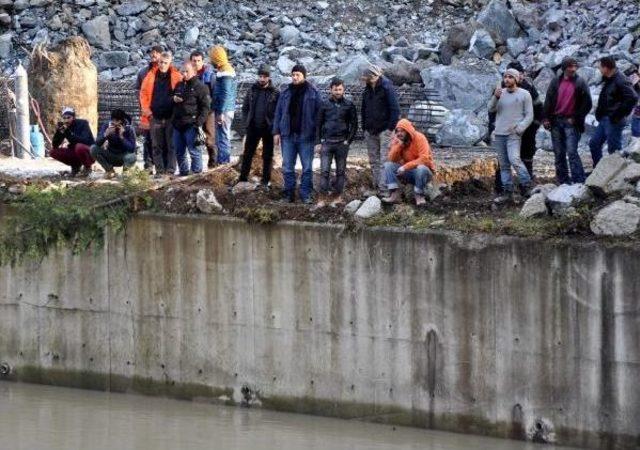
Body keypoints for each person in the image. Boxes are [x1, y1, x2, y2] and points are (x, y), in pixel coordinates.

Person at [489, 61, 543, 192]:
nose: (507, 79)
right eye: (505, 76)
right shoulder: (500, 91)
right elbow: (491, 110)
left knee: (520, 159)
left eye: (511, 76)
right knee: (503, 163)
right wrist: (492, 129)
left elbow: (536, 111)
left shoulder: (527, 91)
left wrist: (527, 128)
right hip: (502, 132)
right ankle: (503, 189)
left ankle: (526, 186)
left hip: (522, 132)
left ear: (520, 76)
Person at [272, 63, 322, 203]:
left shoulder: (313, 93)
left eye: (297, 75)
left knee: (307, 167)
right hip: (288, 135)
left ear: (304, 76)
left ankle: (305, 194)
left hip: (306, 136)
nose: (294, 77)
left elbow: (320, 116)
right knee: (287, 166)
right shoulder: (286, 93)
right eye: (293, 75)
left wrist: (318, 138)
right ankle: (289, 194)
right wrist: (276, 132)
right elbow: (278, 113)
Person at [543, 57, 593, 184]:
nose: (573, 69)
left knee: (571, 152)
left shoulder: (580, 82)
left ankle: (579, 181)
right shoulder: (555, 81)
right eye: (570, 67)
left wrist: (576, 118)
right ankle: (563, 181)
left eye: (575, 66)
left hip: (571, 123)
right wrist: (546, 118)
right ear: (564, 68)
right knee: (559, 153)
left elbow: (587, 103)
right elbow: (548, 100)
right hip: (556, 121)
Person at [314, 77, 358, 205]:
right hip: (327, 142)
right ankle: (322, 197)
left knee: (340, 171)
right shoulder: (324, 104)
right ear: (330, 90)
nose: (338, 92)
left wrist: (348, 141)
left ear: (343, 90)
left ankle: (337, 196)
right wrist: (318, 142)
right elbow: (318, 124)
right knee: (324, 171)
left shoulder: (349, 105)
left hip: (341, 143)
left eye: (340, 89)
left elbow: (354, 125)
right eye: (335, 90)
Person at [589, 56, 638, 167]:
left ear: (606, 68)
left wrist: (618, 114)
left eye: (600, 67)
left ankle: (615, 177)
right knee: (594, 143)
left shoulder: (620, 79)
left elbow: (633, 97)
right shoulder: (609, 78)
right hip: (605, 119)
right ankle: (599, 171)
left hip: (614, 120)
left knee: (614, 150)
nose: (599, 70)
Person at [139, 51, 182, 177]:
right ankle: (159, 170)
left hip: (170, 116)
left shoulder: (176, 76)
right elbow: (143, 94)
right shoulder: (150, 76)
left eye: (165, 63)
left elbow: (181, 94)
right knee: (156, 145)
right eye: (161, 62)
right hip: (155, 117)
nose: (162, 65)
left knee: (171, 145)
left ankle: (170, 170)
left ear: (170, 63)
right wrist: (148, 112)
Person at [361, 64, 400, 194]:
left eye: (366, 77)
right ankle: (377, 186)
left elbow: (395, 110)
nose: (364, 80)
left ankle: (384, 189)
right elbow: (364, 108)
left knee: (384, 160)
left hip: (384, 130)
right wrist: (365, 127)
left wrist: (390, 129)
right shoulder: (367, 90)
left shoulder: (387, 88)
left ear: (373, 76)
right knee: (373, 160)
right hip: (370, 130)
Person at [239, 64, 279, 189]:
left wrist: (275, 128)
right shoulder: (252, 90)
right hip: (253, 127)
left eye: (264, 77)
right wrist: (246, 123)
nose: (262, 79)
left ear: (269, 77)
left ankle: (265, 181)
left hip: (268, 128)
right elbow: (245, 108)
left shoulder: (275, 92)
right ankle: (243, 178)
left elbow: (279, 111)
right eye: (260, 76)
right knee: (247, 154)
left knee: (267, 156)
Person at [382, 119, 436, 206]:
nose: (399, 133)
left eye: (402, 131)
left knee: (421, 168)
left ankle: (419, 196)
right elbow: (392, 159)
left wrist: (405, 167)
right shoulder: (399, 140)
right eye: (398, 131)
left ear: (408, 131)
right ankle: (394, 195)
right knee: (388, 165)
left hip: (425, 173)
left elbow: (424, 159)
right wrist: (399, 145)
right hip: (410, 173)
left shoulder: (420, 138)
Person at [172, 61, 211, 177]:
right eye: (182, 71)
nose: (184, 74)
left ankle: (196, 174)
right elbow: (171, 101)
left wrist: (198, 123)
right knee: (179, 151)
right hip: (178, 124)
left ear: (194, 72)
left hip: (191, 124)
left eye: (186, 71)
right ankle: (183, 173)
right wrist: (173, 99)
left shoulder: (201, 87)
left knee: (194, 151)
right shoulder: (179, 85)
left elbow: (206, 108)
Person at [136, 45, 163, 171]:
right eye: (152, 53)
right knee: (148, 139)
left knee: (162, 139)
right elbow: (138, 91)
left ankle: (161, 166)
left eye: (156, 53)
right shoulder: (143, 72)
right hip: (148, 111)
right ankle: (148, 165)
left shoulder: (167, 71)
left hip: (162, 111)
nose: (154, 55)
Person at [209, 45, 237, 164]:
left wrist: (220, 112)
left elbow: (225, 94)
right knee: (221, 136)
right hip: (226, 109)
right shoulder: (225, 70)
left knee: (223, 137)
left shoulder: (226, 73)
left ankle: (224, 163)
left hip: (224, 111)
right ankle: (222, 161)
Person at [90, 109, 137, 178]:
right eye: (113, 120)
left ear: (122, 121)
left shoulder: (129, 128)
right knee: (93, 148)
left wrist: (122, 137)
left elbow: (132, 149)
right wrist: (105, 135)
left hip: (123, 156)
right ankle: (109, 170)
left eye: (117, 121)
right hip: (111, 154)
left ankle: (125, 174)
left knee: (132, 156)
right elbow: (97, 143)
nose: (114, 122)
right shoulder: (107, 125)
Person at [190, 50, 217, 168]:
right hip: (193, 111)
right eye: (194, 61)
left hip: (208, 111)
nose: (196, 63)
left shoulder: (210, 76)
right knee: (193, 139)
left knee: (209, 140)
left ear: (203, 61)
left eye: (198, 61)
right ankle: (196, 167)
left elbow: (215, 94)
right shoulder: (187, 74)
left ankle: (213, 163)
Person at [50, 107, 95, 177]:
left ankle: (87, 167)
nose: (66, 120)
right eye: (64, 118)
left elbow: (85, 140)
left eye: (68, 117)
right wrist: (58, 132)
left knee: (79, 147)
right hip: (75, 151)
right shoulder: (65, 127)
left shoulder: (83, 123)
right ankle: (75, 167)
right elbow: (55, 145)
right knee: (53, 152)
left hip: (88, 152)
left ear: (73, 118)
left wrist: (69, 134)